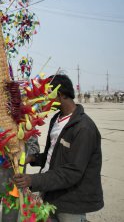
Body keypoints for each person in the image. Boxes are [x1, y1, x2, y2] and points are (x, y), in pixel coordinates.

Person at [14, 74, 104, 222]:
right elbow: (54, 155)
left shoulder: (84, 128)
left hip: (71, 201)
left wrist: (32, 180)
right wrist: (31, 158)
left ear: (60, 95)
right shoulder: (56, 119)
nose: (45, 100)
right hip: (51, 193)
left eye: (47, 95)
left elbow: (72, 171)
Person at [0, 109, 39, 222]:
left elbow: (34, 149)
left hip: (14, 179)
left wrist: (19, 158)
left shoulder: (26, 118)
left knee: (10, 218)